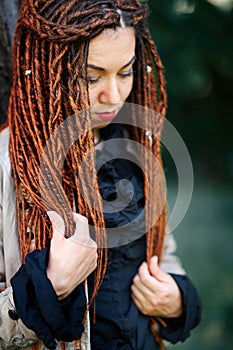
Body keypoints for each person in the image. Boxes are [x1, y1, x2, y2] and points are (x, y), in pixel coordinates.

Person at [0, 0, 201, 349]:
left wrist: (178, 300)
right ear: (51, 68)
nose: (113, 96)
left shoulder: (135, 144)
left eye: (125, 72)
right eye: (90, 77)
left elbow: (163, 254)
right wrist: (49, 287)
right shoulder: (7, 163)